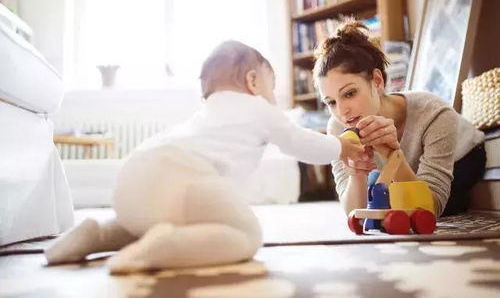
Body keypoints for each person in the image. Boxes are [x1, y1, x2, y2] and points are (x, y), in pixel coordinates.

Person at [45, 40, 365, 273]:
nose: (272, 96)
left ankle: (96, 234)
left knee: (143, 222)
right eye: (272, 86)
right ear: (253, 82)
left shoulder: (206, 113)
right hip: (186, 177)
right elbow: (300, 143)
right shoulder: (259, 108)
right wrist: (340, 146)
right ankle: (158, 251)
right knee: (245, 234)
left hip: (135, 175)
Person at [313, 19, 486, 218]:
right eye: (331, 102)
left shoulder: (433, 113)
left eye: (350, 93)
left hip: (464, 156)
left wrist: (391, 155)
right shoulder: (337, 128)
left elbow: (430, 209)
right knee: (376, 192)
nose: (342, 111)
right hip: (409, 168)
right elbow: (354, 213)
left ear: (377, 81)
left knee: (404, 207)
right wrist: (356, 175)